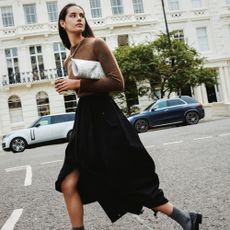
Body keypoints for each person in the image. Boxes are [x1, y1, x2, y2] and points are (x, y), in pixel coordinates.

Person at [54, 3, 202, 230]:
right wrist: (72, 86)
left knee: (125, 175)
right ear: (62, 23)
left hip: (106, 117)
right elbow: (86, 89)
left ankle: (184, 217)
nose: (79, 19)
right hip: (85, 118)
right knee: (68, 182)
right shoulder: (67, 59)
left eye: (82, 15)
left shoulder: (96, 44)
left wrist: (77, 83)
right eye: (73, 15)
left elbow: (117, 82)